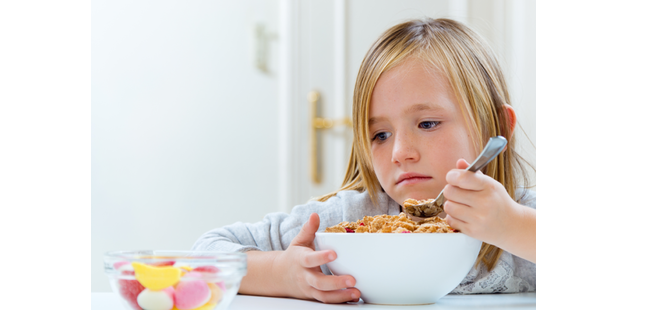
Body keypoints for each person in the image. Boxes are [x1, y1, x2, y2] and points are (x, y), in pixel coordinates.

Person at [191, 18, 536, 303]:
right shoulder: (349, 221)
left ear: (497, 127)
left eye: (428, 124)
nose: (401, 152)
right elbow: (206, 253)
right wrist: (282, 273)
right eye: (380, 135)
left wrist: (513, 226)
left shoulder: (524, 215)